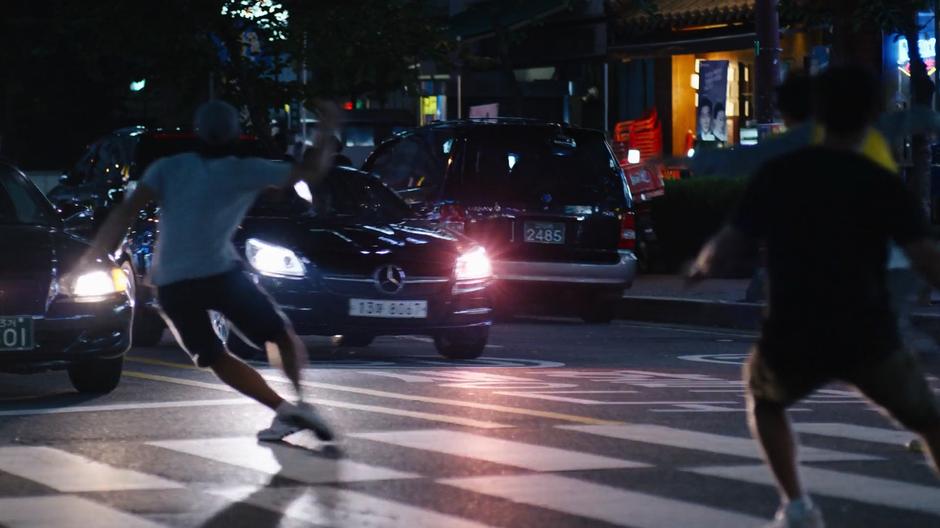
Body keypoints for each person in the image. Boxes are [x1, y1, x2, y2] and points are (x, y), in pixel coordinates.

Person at [688, 66, 940, 528]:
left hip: (793, 331)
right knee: (928, 418)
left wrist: (701, 267)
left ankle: (797, 506)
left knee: (766, 401)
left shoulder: (780, 173)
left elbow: (729, 241)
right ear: (871, 116)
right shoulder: (879, 180)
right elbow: (925, 256)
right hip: (868, 330)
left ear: (817, 114)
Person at [80, 100, 340, 442]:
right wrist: (327, 130)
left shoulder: (168, 168)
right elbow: (311, 172)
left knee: (214, 355)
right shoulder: (246, 169)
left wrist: (96, 254)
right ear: (236, 134)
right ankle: (302, 401)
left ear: (198, 133)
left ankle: (283, 410)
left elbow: (125, 213)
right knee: (278, 334)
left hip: (173, 283)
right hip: (221, 274)